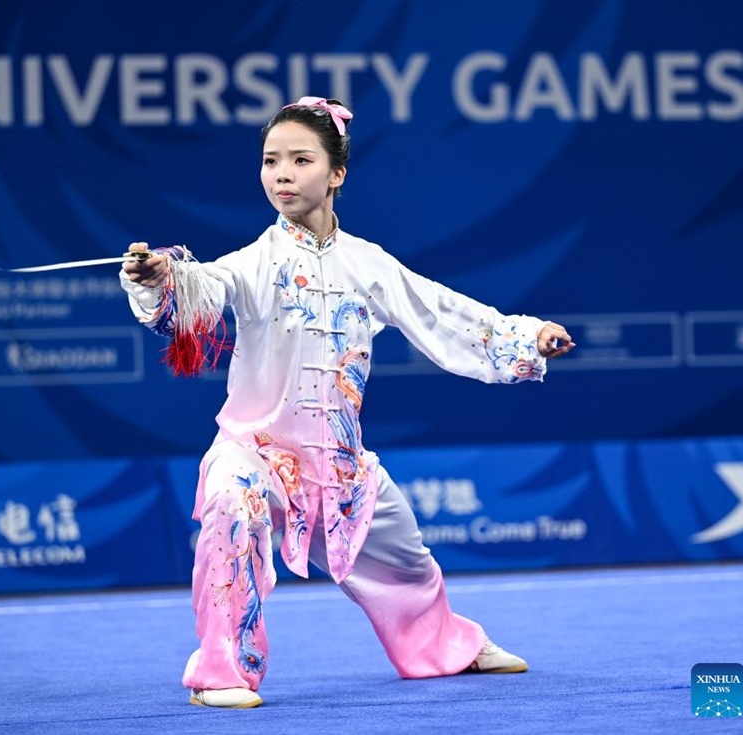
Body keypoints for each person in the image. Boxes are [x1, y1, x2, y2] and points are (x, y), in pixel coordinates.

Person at [120, 96, 575, 709]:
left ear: (335, 174)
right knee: (234, 505)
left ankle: (445, 645)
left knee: (406, 562)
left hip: (339, 464)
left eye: (300, 160)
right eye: (270, 160)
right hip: (255, 451)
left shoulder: (370, 265)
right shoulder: (252, 263)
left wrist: (528, 337)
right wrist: (159, 280)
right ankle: (221, 671)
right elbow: (204, 287)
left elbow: (440, 312)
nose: (281, 173)